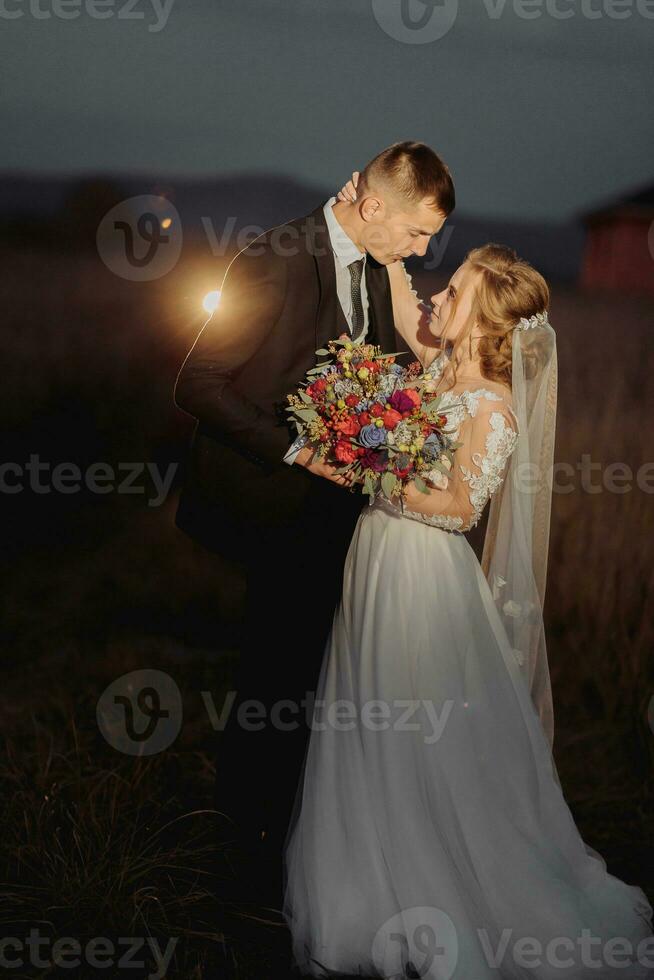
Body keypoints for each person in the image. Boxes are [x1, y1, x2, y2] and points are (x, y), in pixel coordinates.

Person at [282, 207, 654, 976]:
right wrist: (377, 230)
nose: (437, 300)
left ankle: (441, 888)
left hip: (423, 573)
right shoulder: (435, 370)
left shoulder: (491, 405)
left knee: (415, 725)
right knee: (365, 711)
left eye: (452, 293)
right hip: (376, 558)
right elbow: (401, 288)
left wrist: (366, 473)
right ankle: (364, 884)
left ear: (481, 316)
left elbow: (457, 508)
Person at [172, 142, 454, 905]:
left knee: (306, 676)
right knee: (274, 674)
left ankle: (285, 835)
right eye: (417, 234)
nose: (422, 251)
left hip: (342, 514)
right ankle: (240, 855)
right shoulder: (274, 259)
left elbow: (388, 366)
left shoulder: (373, 262)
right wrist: (298, 450)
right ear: (372, 209)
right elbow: (197, 382)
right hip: (273, 501)